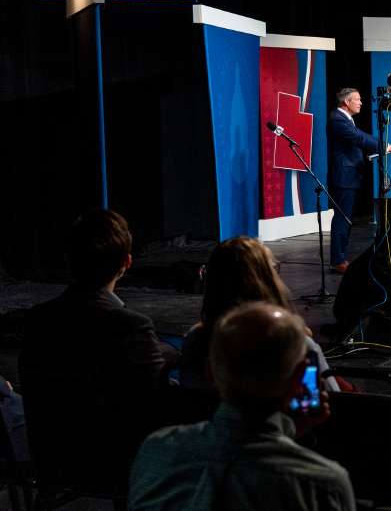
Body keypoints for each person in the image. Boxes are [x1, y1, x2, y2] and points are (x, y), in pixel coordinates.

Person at [129, 301, 356, 511]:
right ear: (299, 378)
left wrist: (289, 430)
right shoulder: (322, 484)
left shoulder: (156, 451)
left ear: (210, 371)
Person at [19, 210, 173, 496]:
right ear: (126, 263)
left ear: (68, 260)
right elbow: (156, 401)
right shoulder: (130, 326)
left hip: (54, 463)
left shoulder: (37, 321)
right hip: (117, 466)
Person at [179, 236, 338, 392]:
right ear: (266, 281)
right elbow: (336, 400)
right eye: (274, 269)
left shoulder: (195, 340)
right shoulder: (295, 344)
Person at [327, 88, 391, 273]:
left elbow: (356, 142)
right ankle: (337, 260)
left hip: (350, 176)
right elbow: (358, 138)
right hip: (344, 178)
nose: (361, 103)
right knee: (343, 219)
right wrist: (388, 146)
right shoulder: (337, 119)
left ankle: (339, 258)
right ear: (346, 102)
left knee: (346, 219)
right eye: (357, 99)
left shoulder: (345, 118)